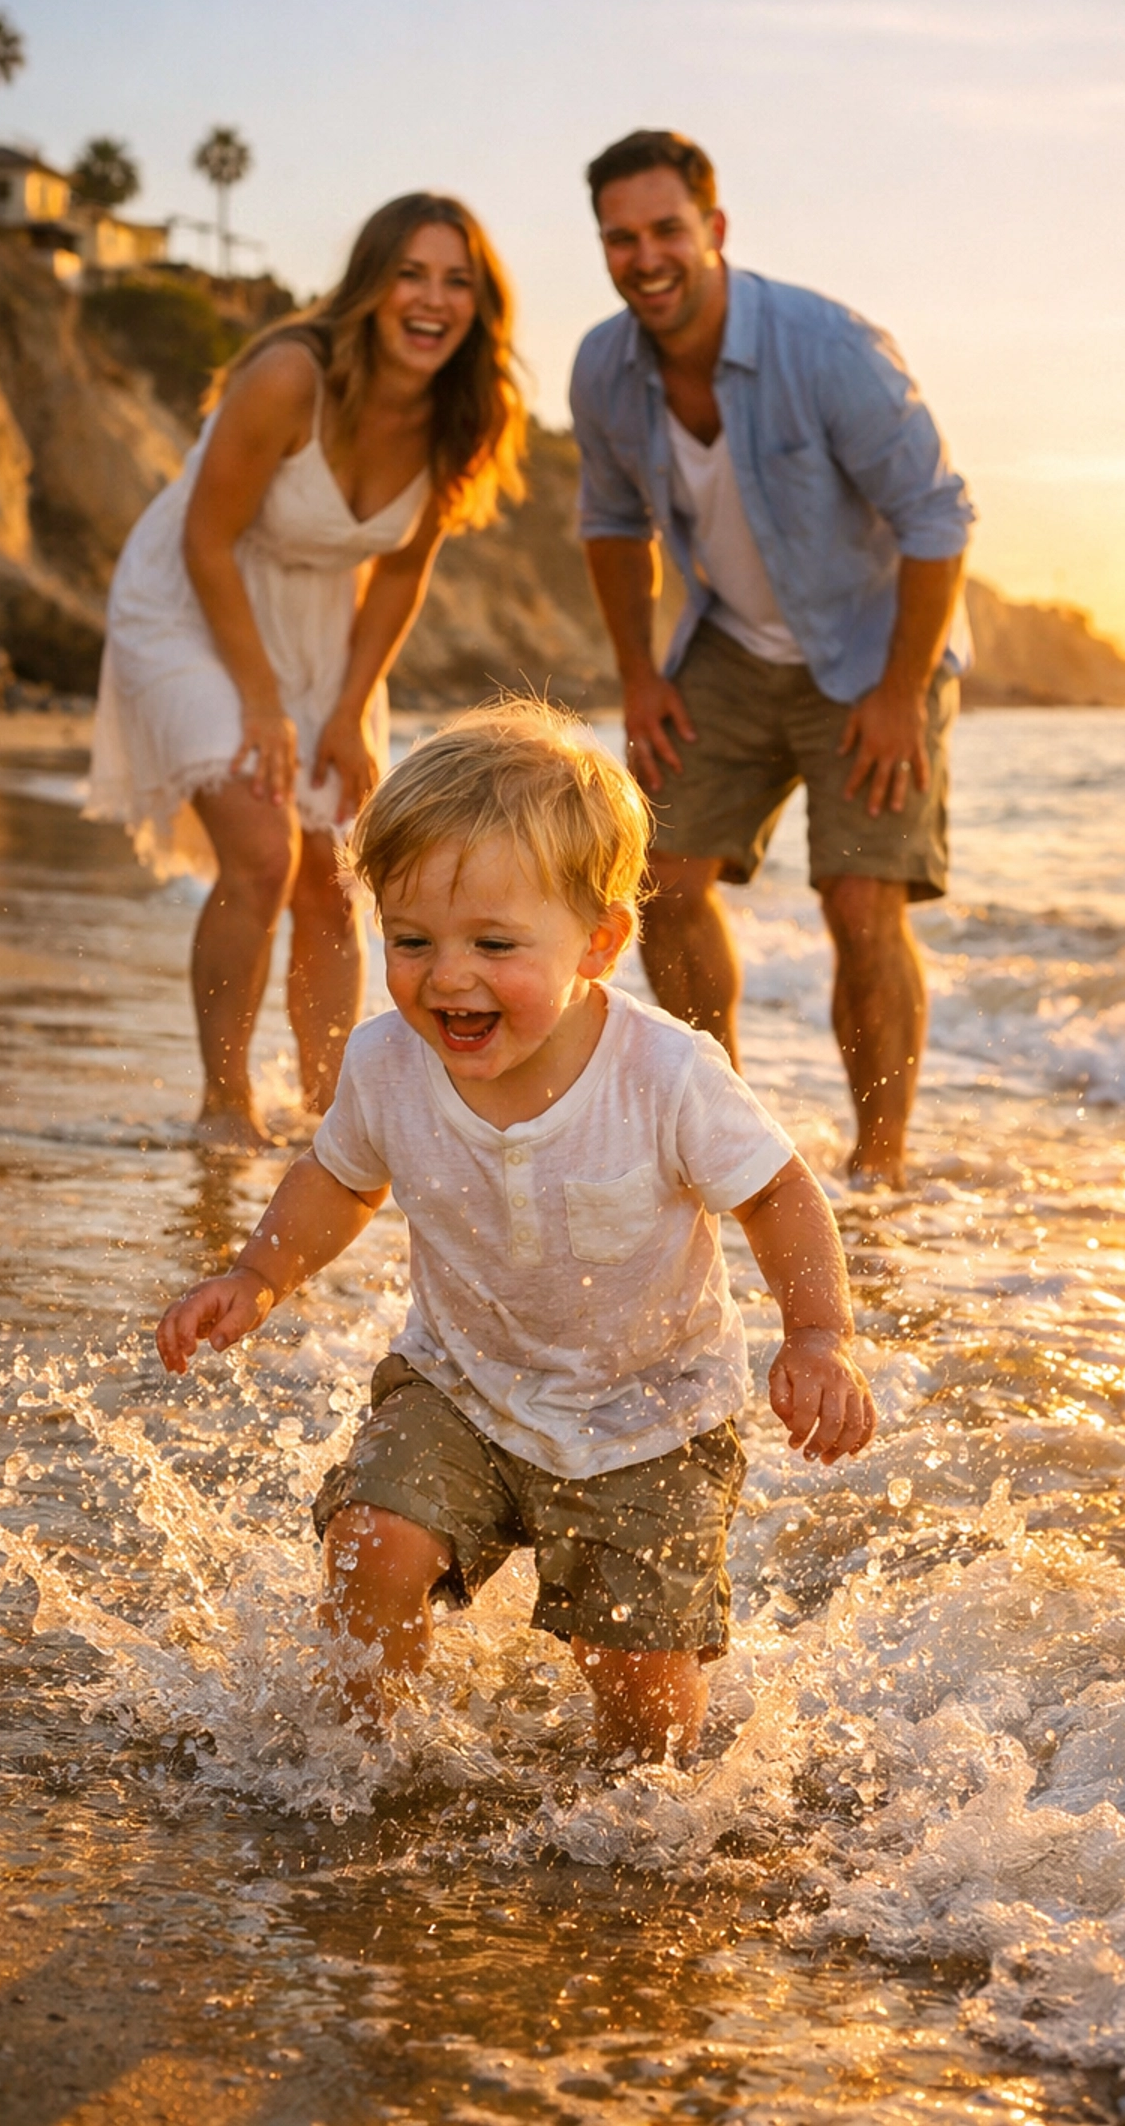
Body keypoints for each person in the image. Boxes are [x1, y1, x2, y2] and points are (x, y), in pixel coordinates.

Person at [156, 702, 875, 1761]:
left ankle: (651, 1828)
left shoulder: (666, 1076)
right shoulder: (388, 1065)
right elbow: (339, 1180)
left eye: (494, 943)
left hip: (651, 1421)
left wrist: (818, 1334)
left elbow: (778, 1194)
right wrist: (258, 1274)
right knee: (371, 1542)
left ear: (598, 942)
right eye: (411, 941)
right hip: (458, 1386)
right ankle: (362, 1763)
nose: (448, 976)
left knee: (637, 1691)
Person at [570, 130, 975, 1190]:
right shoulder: (604, 370)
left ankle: (880, 1169)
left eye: (667, 230)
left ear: (715, 230)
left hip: (877, 651)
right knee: (655, 879)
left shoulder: (827, 348)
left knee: (858, 902)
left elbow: (938, 519)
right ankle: (732, 1142)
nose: (646, 257)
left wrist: (897, 694)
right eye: (621, 238)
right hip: (732, 648)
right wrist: (639, 677)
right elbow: (612, 523)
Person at [87, 193, 525, 1151]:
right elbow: (206, 538)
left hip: (323, 628)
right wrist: (260, 702)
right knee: (263, 851)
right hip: (193, 605)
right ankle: (225, 1105)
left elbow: (403, 568)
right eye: (411, 273)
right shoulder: (291, 375)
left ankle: (331, 1117)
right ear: (371, 285)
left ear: (480, 305)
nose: (432, 299)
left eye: (457, 281)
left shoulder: (469, 412)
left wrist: (348, 704)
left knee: (333, 873)